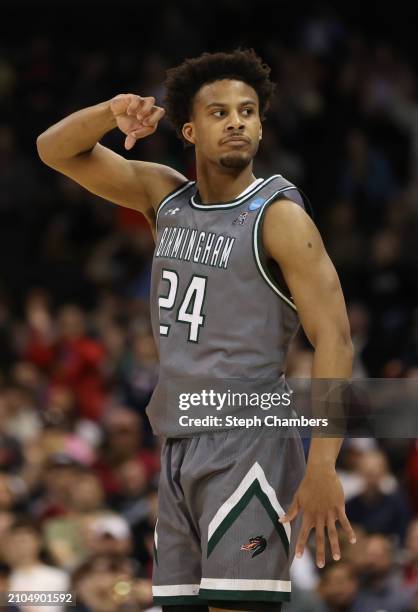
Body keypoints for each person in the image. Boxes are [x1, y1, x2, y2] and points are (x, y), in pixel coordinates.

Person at [37, 48, 355, 612]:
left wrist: (323, 465)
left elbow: (334, 338)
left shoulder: (278, 216)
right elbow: (53, 149)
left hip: (249, 440)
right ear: (188, 129)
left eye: (249, 111)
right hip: (179, 443)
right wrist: (112, 112)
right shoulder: (164, 197)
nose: (237, 121)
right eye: (220, 112)